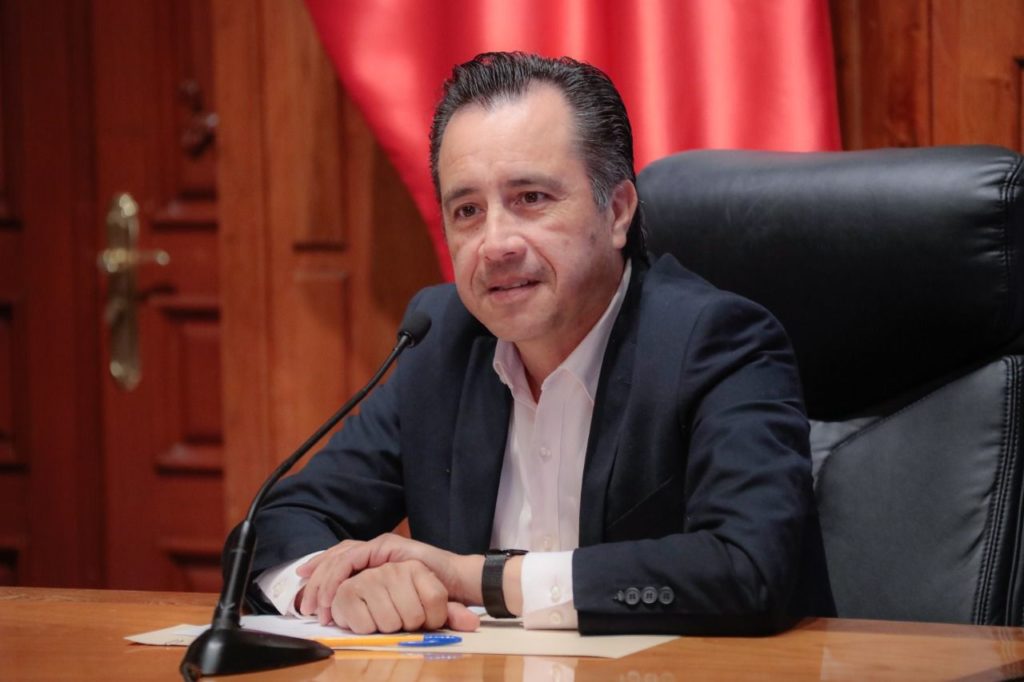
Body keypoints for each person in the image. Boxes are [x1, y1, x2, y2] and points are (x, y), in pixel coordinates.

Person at [243, 51, 834, 636]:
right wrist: (339, 585)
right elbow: (275, 525)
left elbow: (748, 570)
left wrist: (478, 578)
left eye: (531, 199)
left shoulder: (717, 343)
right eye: (467, 210)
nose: (495, 243)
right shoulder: (441, 343)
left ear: (618, 212)